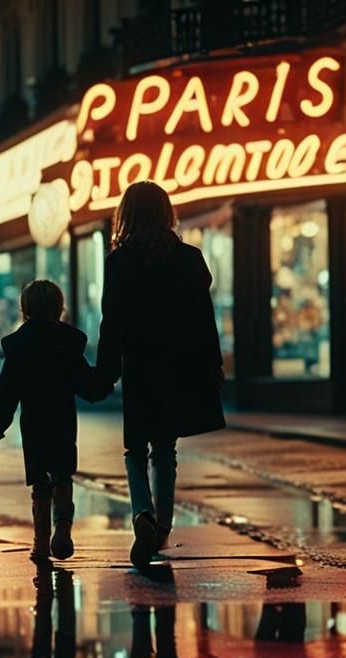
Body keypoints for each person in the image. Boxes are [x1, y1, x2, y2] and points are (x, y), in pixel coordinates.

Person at [97, 180, 226, 569]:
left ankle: (143, 514)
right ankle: (164, 526)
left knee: (135, 449)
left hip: (140, 365)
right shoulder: (189, 258)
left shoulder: (119, 262)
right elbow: (205, 319)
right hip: (179, 365)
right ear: (166, 212)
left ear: (127, 215)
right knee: (165, 450)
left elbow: (112, 322)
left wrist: (106, 370)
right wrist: (213, 363)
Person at [0, 279, 112, 562]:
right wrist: (107, 378)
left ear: (24, 309)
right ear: (59, 309)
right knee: (63, 478)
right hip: (63, 422)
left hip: (34, 426)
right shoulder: (68, 343)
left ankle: (40, 541)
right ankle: (62, 528)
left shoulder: (19, 347)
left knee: (40, 484)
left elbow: (5, 395)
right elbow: (89, 387)